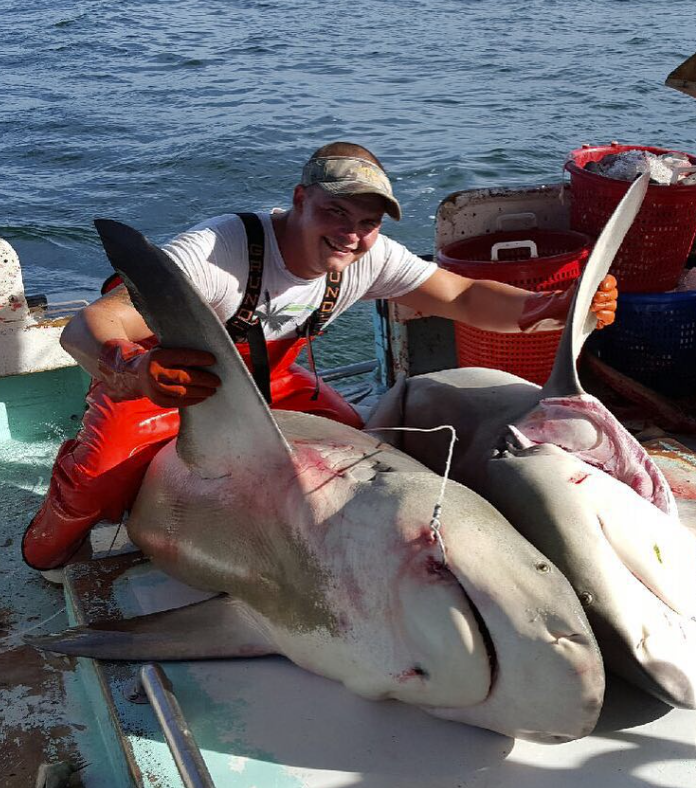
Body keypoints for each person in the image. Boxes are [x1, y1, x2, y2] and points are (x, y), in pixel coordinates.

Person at [22, 141, 618, 572]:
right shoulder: (217, 249)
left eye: (366, 222)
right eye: (334, 212)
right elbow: (87, 325)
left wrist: (544, 306)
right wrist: (134, 372)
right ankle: (48, 549)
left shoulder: (370, 257)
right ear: (299, 200)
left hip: (271, 379)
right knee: (97, 478)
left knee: (362, 464)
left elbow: (461, 294)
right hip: (173, 381)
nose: (350, 235)